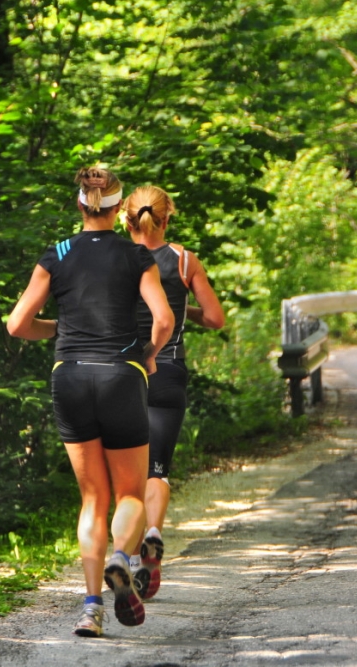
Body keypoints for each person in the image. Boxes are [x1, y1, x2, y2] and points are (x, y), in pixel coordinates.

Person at [6, 167, 174, 638]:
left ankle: (91, 609)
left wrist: (59, 329)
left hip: (70, 378)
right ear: (119, 209)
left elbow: (17, 324)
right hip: (121, 375)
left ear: (80, 204)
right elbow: (163, 319)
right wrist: (148, 355)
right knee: (130, 494)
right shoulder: (136, 255)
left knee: (92, 498)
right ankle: (121, 557)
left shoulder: (57, 254)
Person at [121, 185, 225, 600]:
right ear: (167, 219)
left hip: (123, 371)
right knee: (157, 469)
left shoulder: (116, 258)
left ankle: (130, 556)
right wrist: (182, 312)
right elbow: (215, 318)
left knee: (126, 475)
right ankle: (153, 534)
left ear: (126, 219)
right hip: (168, 371)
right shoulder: (184, 260)